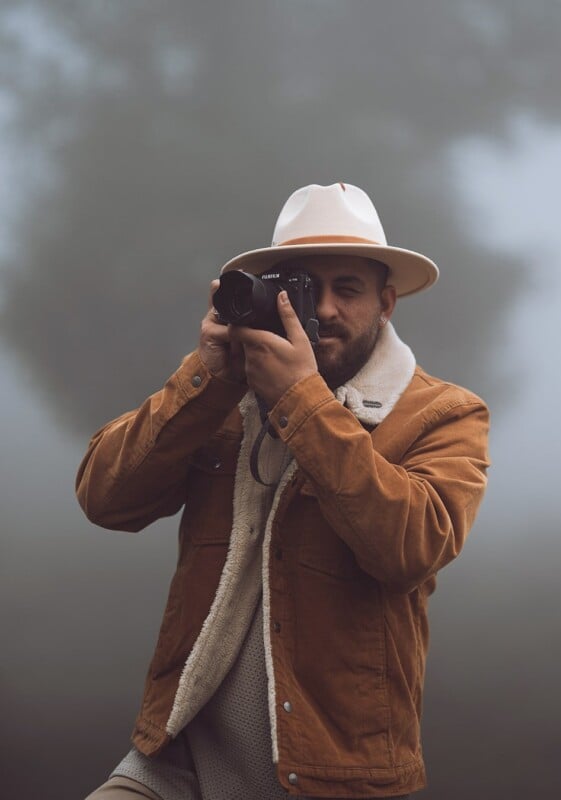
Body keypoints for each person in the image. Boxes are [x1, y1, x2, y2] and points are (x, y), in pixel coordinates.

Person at [77, 182, 490, 800]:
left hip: (332, 775)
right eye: (301, 289)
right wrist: (207, 379)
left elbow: (412, 546)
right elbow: (105, 497)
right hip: (175, 758)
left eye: (346, 289)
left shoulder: (443, 413)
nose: (322, 310)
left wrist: (302, 401)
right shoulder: (223, 395)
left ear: (387, 302)